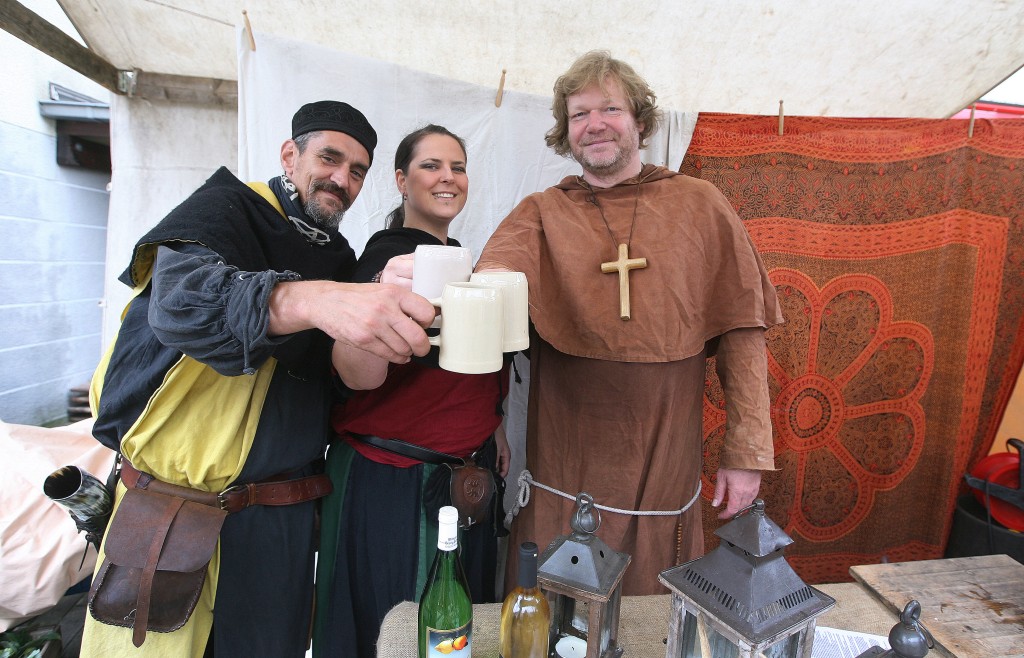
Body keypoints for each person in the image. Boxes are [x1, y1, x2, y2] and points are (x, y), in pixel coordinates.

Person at [81, 101, 436, 658]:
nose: (342, 179)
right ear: (290, 155)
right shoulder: (227, 209)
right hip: (170, 512)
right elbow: (182, 306)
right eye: (329, 158)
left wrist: (372, 307)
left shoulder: (339, 260)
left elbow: (340, 381)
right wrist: (309, 300)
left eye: (357, 171)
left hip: (278, 523)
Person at [476, 51, 784, 595]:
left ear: (640, 121)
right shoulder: (542, 212)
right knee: (553, 618)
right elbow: (491, 278)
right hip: (564, 472)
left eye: (610, 109)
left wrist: (746, 454)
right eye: (579, 114)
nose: (594, 124)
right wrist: (460, 280)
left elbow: (743, 333)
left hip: (662, 474)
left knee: (651, 617)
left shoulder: (700, 205)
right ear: (565, 131)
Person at [313, 125, 511, 658]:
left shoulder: (464, 261)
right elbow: (355, 376)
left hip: (463, 474)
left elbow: (466, 372)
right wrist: (380, 294)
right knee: (398, 627)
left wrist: (493, 426)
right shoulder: (383, 264)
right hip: (393, 483)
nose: (448, 177)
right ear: (402, 181)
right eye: (431, 166)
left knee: (456, 630)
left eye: (458, 167)